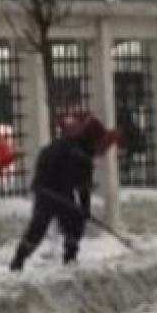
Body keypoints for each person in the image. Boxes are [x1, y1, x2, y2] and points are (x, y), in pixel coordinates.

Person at [10, 114, 113, 272]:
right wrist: (85, 209)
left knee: (40, 226)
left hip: (46, 190)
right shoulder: (82, 154)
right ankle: (69, 258)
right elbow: (83, 187)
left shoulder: (64, 144)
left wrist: (41, 185)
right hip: (55, 191)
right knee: (72, 223)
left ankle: (19, 259)